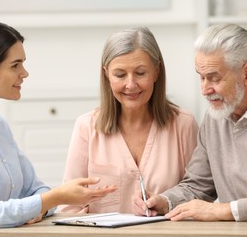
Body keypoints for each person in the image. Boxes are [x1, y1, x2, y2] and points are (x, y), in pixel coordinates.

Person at [0, 19, 117, 237]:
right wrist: (53, 199)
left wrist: (42, 205)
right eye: (15, 65)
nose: (24, 73)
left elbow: (36, 190)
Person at [132, 23, 247, 221]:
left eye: (214, 78)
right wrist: (165, 201)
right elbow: (198, 184)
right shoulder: (216, 116)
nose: (204, 89)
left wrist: (225, 210)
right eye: (201, 77)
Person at [58, 26, 199, 214]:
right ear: (106, 74)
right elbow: (69, 208)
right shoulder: (86, 127)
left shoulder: (184, 124)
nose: (131, 85)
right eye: (120, 75)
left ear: (157, 71)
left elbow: (199, 194)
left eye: (141, 73)